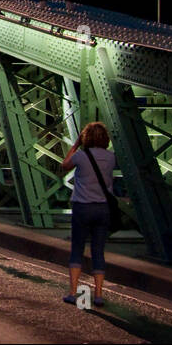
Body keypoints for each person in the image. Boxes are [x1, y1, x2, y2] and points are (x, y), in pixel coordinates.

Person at [59, 121, 116, 306]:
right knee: (98, 251)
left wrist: (75, 145)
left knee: (77, 249)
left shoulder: (81, 156)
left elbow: (64, 165)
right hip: (103, 208)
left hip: (82, 207)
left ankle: (73, 293)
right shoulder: (111, 157)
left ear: (86, 138)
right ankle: (98, 295)